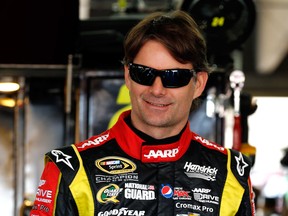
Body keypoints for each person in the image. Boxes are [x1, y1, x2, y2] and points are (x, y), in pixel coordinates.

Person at [30, 10, 255, 216]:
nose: (157, 90)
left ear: (198, 84)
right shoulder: (70, 169)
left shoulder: (231, 173)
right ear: (128, 76)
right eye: (143, 74)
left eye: (174, 77)